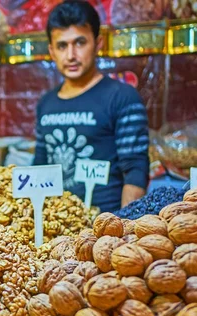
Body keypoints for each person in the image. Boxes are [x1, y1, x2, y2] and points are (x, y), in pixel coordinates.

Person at [34, 0, 150, 212]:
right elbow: (40, 167)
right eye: (62, 46)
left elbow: (135, 168)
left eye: (79, 43)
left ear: (98, 43)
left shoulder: (122, 97)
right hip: (57, 226)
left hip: (105, 228)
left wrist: (124, 226)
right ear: (52, 51)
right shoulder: (46, 104)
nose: (71, 55)